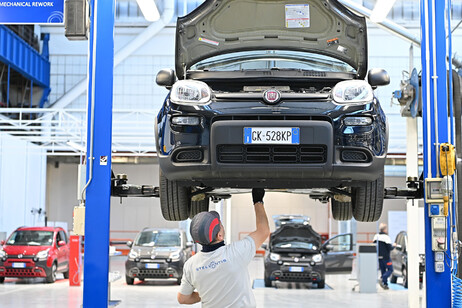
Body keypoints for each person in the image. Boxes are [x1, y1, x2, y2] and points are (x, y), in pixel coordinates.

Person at [177, 188, 270, 307]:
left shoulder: (191, 265)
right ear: (220, 236)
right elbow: (264, 230)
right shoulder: (236, 253)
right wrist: (258, 201)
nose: (222, 225)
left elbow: (183, 299)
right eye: (220, 224)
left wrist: (208, 293)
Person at [373, 223, 396, 290]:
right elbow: (390, 248)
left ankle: (385, 284)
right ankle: (383, 278)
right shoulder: (386, 237)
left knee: (383, 270)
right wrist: (394, 245)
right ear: (385, 229)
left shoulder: (376, 236)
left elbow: (374, 245)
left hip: (379, 257)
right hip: (386, 257)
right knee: (390, 269)